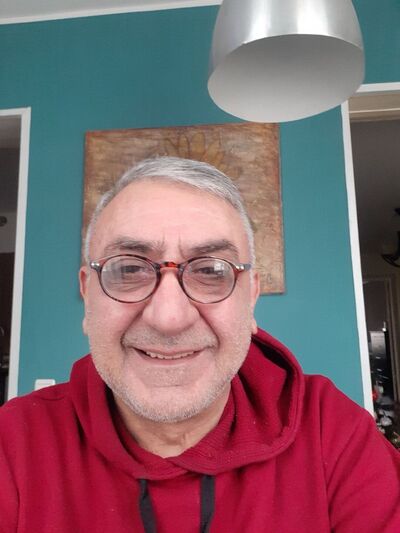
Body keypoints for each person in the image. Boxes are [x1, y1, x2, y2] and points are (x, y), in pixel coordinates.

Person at [0, 156, 399, 533]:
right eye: (130, 269)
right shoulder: (14, 443)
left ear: (251, 297)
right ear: (88, 296)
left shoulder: (332, 432)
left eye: (210, 270)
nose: (169, 318)